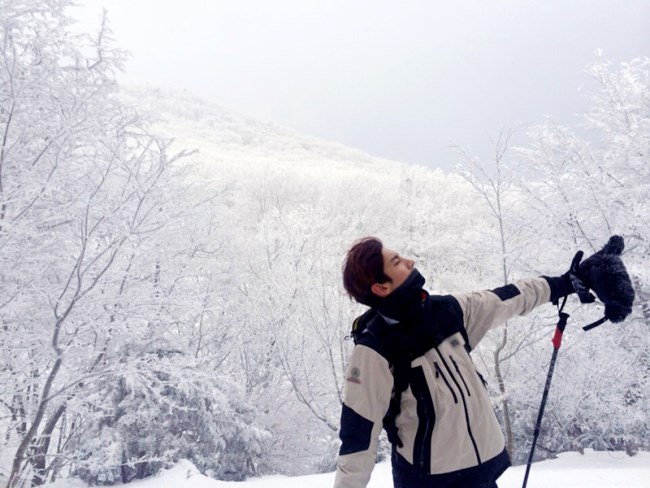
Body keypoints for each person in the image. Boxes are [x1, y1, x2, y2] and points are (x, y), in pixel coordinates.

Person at [333, 236, 633, 488]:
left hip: (483, 473)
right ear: (381, 287)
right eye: (396, 262)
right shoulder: (374, 349)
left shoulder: (445, 312)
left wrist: (568, 282)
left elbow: (510, 297)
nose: (410, 261)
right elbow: (358, 436)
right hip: (430, 481)